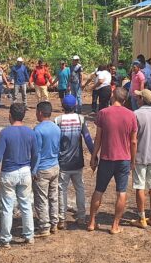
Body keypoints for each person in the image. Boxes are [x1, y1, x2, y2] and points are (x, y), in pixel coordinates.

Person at [88, 87, 138, 234]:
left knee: (99, 190)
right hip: (124, 158)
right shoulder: (131, 115)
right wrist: (133, 161)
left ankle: (92, 222)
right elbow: (133, 141)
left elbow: (98, 138)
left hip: (106, 158)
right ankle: (115, 225)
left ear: (112, 97)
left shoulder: (103, 113)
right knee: (121, 192)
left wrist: (93, 156)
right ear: (125, 100)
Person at [0, 102, 37, 248]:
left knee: (7, 206)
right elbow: (36, 154)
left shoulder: (5, 132)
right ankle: (29, 235)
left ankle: (5, 238)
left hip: (9, 172)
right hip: (25, 171)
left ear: (10, 115)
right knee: (25, 204)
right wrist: (33, 170)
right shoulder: (30, 132)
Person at [55, 94, 93, 227]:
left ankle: (62, 219)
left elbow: (55, 141)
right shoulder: (80, 119)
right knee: (80, 188)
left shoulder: (58, 120)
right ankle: (82, 217)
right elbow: (88, 138)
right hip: (77, 161)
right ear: (75, 106)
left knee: (62, 190)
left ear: (63, 106)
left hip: (63, 162)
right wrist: (94, 155)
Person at [132, 89, 151, 229]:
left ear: (142, 100)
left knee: (140, 186)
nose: (137, 99)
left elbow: (132, 138)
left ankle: (141, 217)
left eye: (138, 97)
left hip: (139, 155)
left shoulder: (136, 114)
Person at [33, 101, 61, 236]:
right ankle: (54, 223)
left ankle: (44, 226)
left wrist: (34, 170)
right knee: (53, 196)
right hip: (55, 166)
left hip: (43, 168)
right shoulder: (56, 128)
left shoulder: (38, 130)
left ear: (39, 113)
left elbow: (36, 152)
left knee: (42, 199)